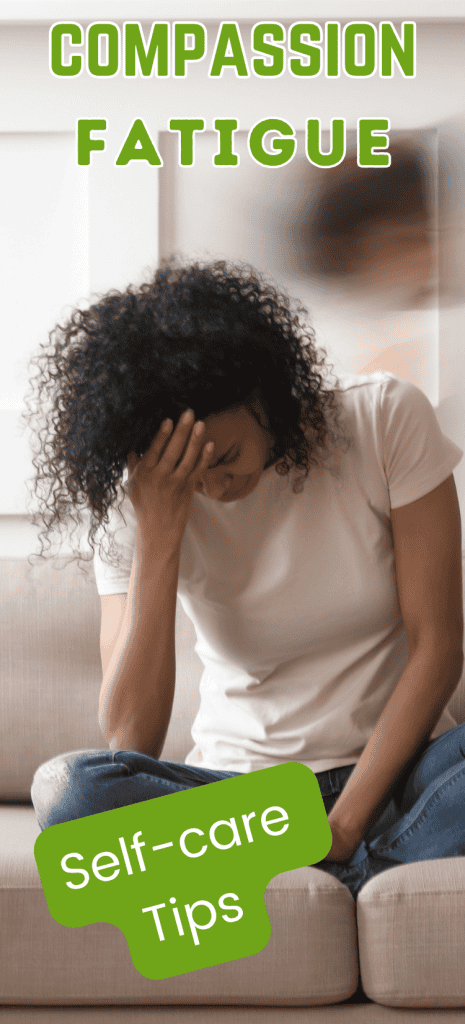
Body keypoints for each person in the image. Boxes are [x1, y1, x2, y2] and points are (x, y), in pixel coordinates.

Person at [28, 259, 464, 900]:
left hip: (400, 779)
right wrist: (161, 530)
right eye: (191, 475)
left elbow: (441, 645)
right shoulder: (143, 505)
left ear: (267, 397)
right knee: (68, 791)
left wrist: (342, 825)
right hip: (239, 805)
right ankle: (361, 868)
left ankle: (314, 866)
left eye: (225, 457)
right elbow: (131, 738)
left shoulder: (382, 420)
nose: (213, 487)